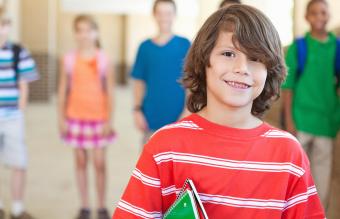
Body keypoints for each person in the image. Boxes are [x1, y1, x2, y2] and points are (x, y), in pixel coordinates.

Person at [113, 5, 325, 219]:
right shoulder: (164, 148)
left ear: (269, 70)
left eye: (256, 58)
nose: (242, 67)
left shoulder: (288, 155)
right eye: (228, 53)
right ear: (204, 61)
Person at [282, 0, 339, 209]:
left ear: (328, 16)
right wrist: (289, 120)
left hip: (326, 122)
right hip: (300, 119)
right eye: (314, 13)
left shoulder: (337, 48)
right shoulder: (299, 47)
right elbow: (288, 87)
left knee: (322, 178)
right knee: (295, 175)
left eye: (323, 13)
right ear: (307, 17)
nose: (319, 17)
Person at [58, 14, 115, 219]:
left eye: (88, 30)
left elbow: (109, 92)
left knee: (99, 163)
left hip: (98, 118)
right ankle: (84, 205)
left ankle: (101, 205)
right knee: (80, 162)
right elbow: (63, 89)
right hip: (75, 117)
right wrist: (61, 119)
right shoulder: (69, 59)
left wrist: (109, 119)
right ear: (75, 34)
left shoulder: (103, 59)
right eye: (80, 30)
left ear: (96, 32)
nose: (84, 35)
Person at [131, 0, 191, 144]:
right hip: (151, 118)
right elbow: (139, 82)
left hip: (178, 118)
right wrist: (137, 110)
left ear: (174, 15)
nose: (164, 17)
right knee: (150, 164)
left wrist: (187, 111)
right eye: (160, 13)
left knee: (176, 165)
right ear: (154, 15)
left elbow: (191, 81)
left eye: (168, 13)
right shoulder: (144, 47)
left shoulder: (185, 44)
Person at [0, 8, 39, 219]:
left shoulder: (18, 51)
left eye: (4, 24)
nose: (1, 29)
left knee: (18, 162)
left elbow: (24, 85)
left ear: (8, 27)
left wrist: (20, 110)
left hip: (12, 117)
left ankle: (17, 207)